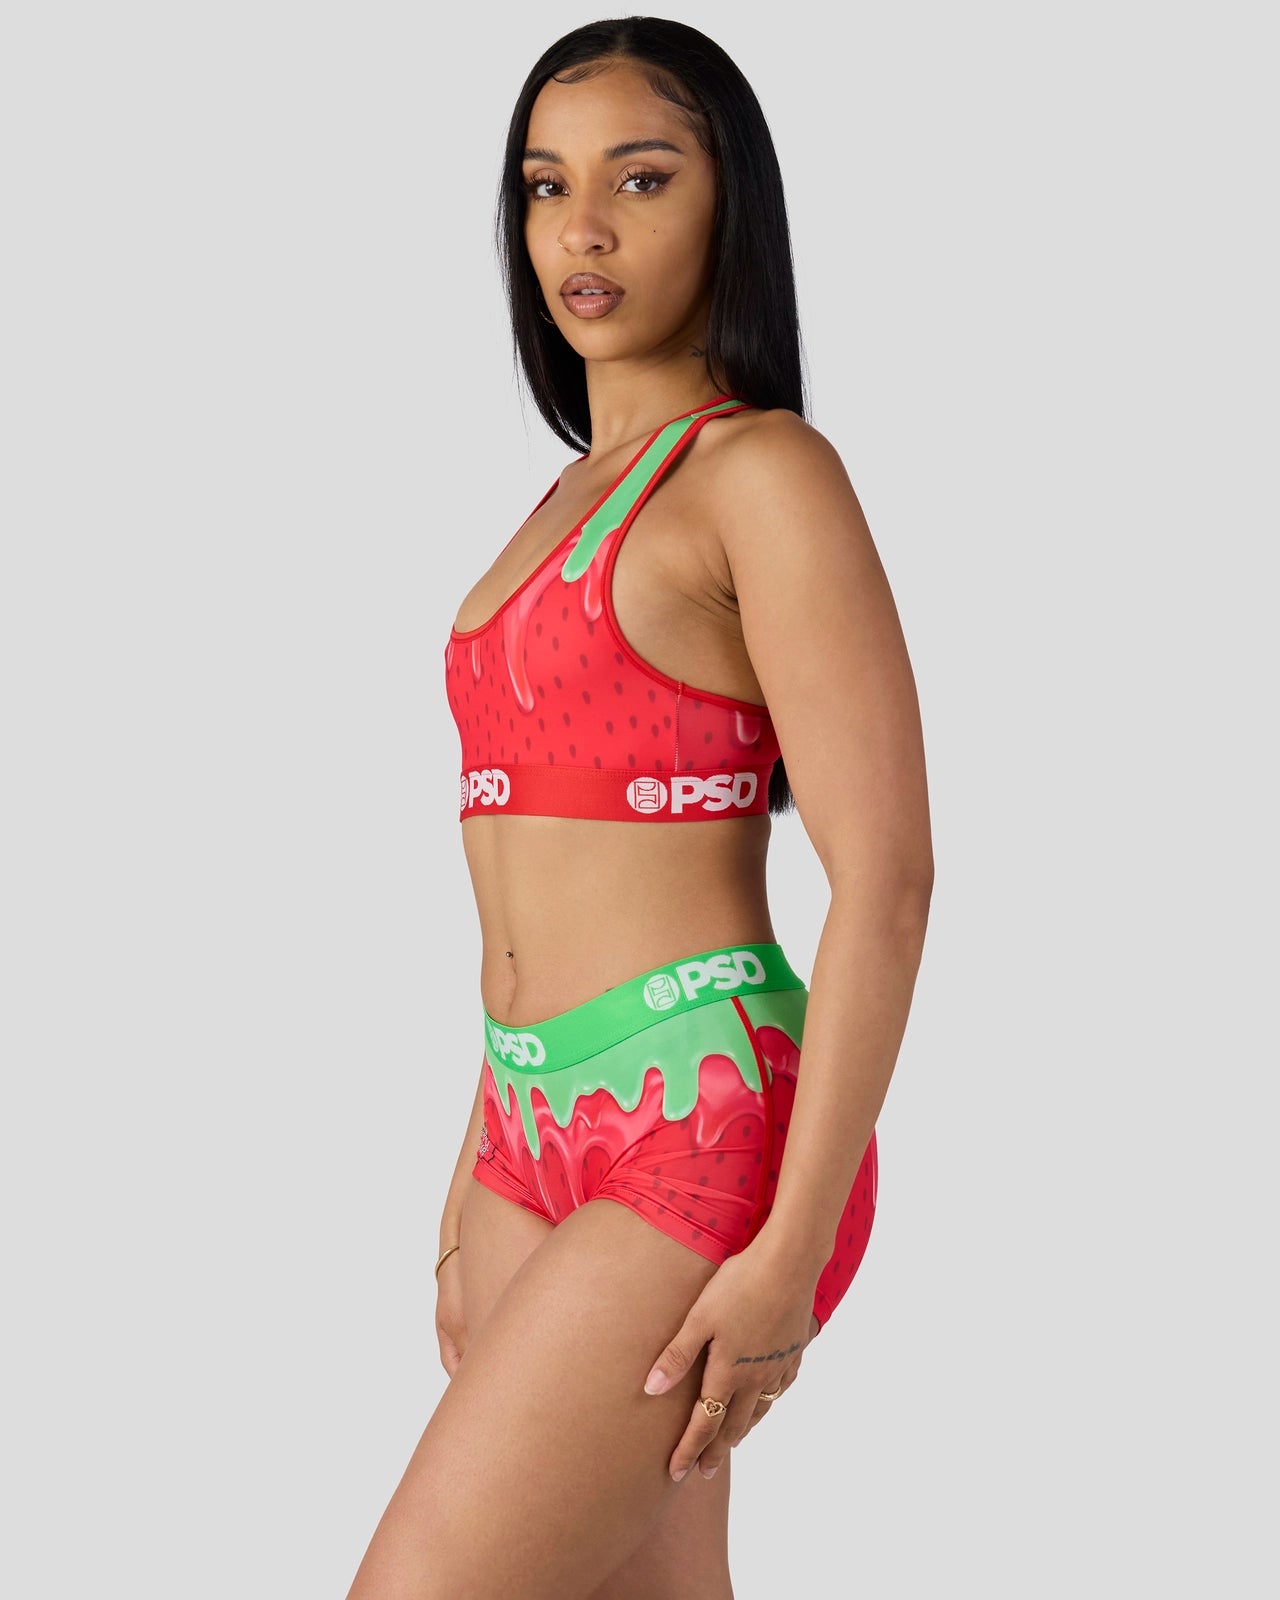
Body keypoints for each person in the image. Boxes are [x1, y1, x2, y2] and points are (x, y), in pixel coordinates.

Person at [346, 17, 932, 1599]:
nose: (582, 230)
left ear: (731, 203)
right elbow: (525, 893)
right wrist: (472, 1165)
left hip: (710, 1131)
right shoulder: (559, 505)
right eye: (546, 186)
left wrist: (793, 1251)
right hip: (526, 1131)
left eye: (642, 179)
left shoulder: (763, 475)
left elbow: (887, 881)